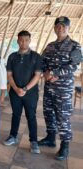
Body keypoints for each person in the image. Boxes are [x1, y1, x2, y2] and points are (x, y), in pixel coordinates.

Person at [38, 16, 82, 160]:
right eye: (58, 26)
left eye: (63, 26)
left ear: (68, 28)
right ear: (55, 28)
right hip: (49, 86)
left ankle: (65, 146)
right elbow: (42, 61)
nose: (60, 28)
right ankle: (51, 138)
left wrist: (54, 73)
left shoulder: (75, 46)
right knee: (48, 113)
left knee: (63, 117)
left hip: (63, 89)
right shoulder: (50, 46)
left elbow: (74, 65)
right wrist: (45, 73)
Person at [3, 30, 42, 154]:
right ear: (17, 41)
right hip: (15, 92)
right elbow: (9, 75)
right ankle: (13, 136)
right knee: (16, 114)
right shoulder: (12, 56)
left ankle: (34, 141)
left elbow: (37, 76)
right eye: (21, 40)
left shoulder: (36, 56)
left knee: (31, 116)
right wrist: (16, 88)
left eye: (26, 40)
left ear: (29, 41)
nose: (23, 42)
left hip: (30, 93)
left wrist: (24, 89)